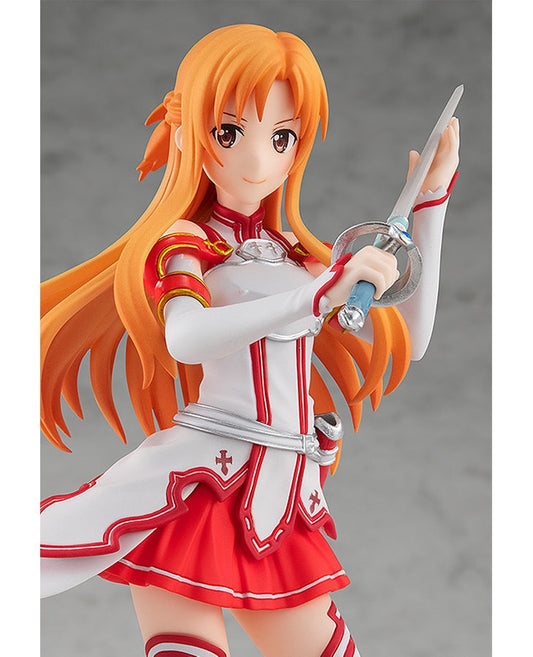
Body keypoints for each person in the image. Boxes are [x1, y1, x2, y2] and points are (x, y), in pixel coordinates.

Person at [40, 24, 460, 657]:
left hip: (283, 491)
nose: (259, 160)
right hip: (199, 485)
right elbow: (186, 337)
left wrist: (429, 204)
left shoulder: (300, 258)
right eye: (230, 132)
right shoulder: (187, 244)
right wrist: (314, 299)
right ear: (192, 132)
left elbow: (414, 339)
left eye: (281, 137)